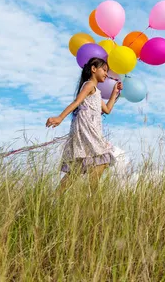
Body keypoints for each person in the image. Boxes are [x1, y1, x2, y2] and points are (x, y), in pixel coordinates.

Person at [45, 57, 123, 192]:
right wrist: (60, 117)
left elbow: (107, 110)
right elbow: (77, 102)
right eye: (104, 70)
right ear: (93, 69)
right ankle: (92, 196)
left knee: (77, 169)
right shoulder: (89, 85)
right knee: (102, 160)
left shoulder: (97, 92)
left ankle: (56, 197)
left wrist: (114, 93)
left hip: (92, 130)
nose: (106, 74)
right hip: (86, 129)